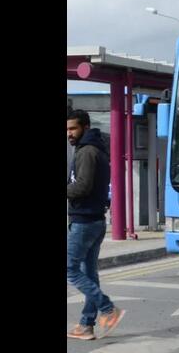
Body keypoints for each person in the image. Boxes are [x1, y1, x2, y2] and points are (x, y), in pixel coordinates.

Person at [67, 110, 126, 340]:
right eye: (67, 129)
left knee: (70, 269)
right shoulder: (94, 150)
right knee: (88, 273)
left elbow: (82, 187)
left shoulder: (88, 152)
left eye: (73, 128)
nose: (69, 134)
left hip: (84, 221)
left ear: (85, 126)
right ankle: (86, 325)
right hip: (94, 220)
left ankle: (108, 308)